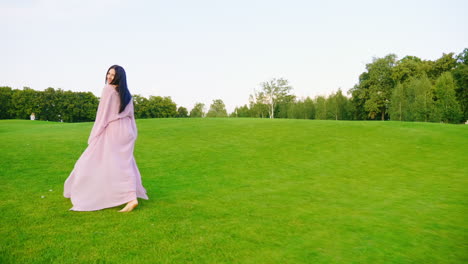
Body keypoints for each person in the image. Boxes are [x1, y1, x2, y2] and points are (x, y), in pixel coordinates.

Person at [64, 65, 149, 212]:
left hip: (114, 129)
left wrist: (94, 135)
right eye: (108, 74)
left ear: (119, 77)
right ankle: (130, 196)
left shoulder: (108, 90)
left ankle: (129, 197)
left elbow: (102, 116)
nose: (109, 77)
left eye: (112, 75)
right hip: (127, 131)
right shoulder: (127, 94)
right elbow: (131, 116)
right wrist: (133, 134)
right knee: (124, 164)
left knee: (94, 160)